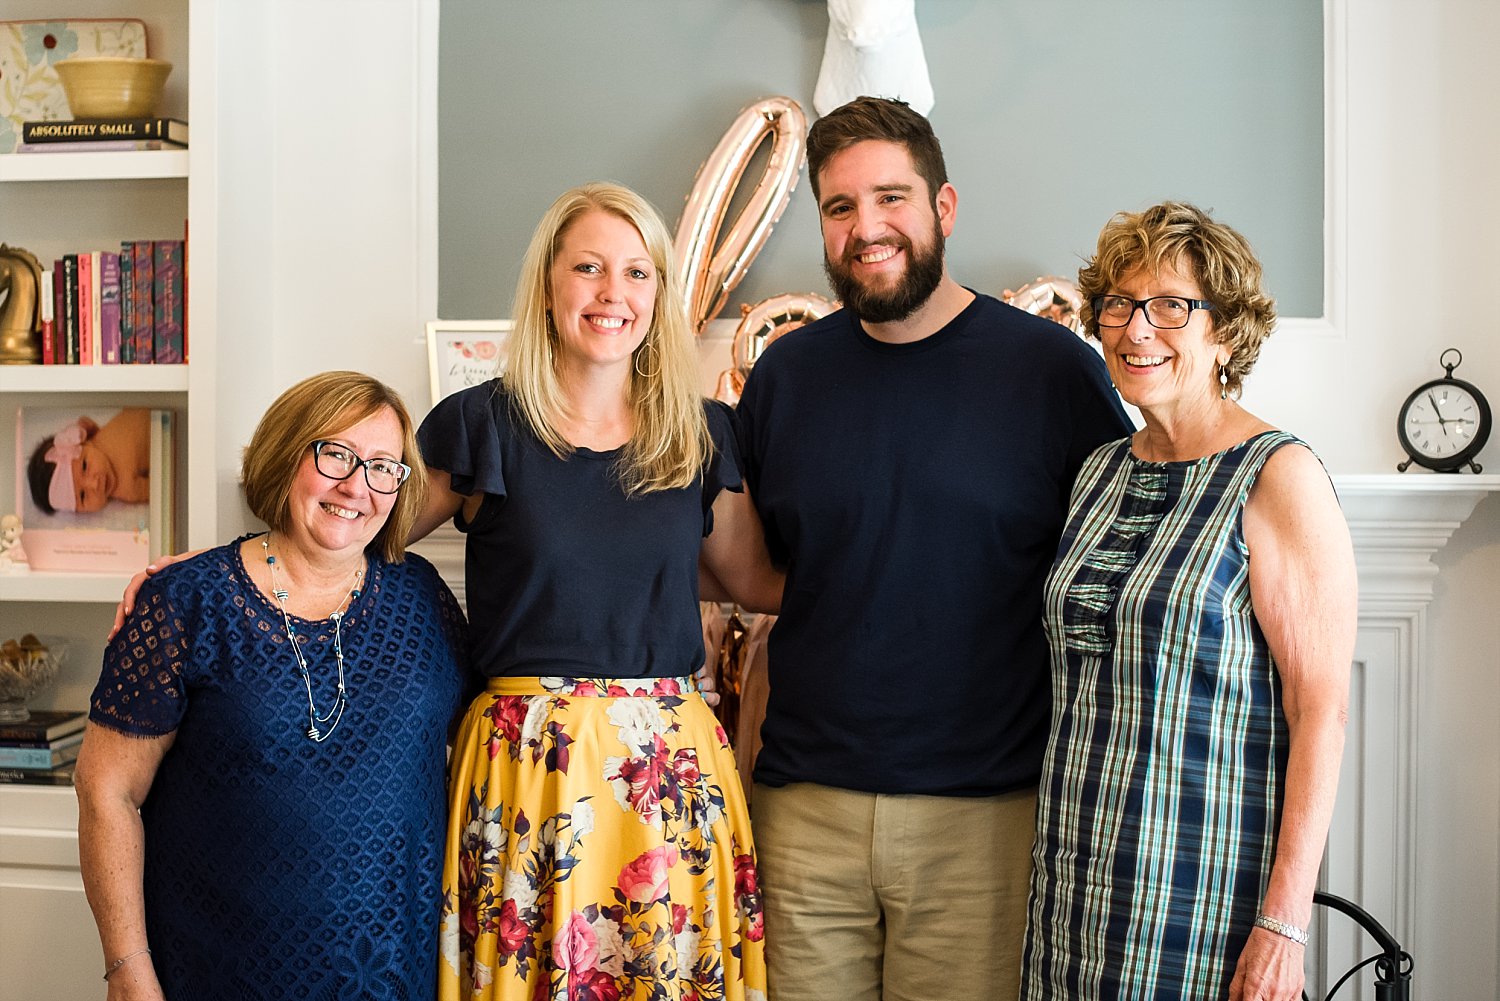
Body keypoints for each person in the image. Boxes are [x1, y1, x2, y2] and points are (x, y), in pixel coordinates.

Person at [733, 96, 1133, 1000]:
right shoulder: (786, 376)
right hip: (804, 810)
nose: (866, 228)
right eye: (839, 208)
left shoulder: (1053, 372)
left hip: (985, 817)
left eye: (891, 198)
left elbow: (1120, 566)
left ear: (943, 208)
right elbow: (753, 570)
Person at [412, 182, 777, 1001]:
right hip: (527, 771)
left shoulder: (701, 429)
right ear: (548, 283)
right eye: (589, 267)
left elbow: (754, 580)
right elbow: (351, 535)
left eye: (638, 273)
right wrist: (219, 575)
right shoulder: (480, 424)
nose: (614, 293)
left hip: (670, 773)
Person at [1020, 202, 1357, 1001]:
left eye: (1171, 306)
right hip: (1070, 894)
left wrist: (1284, 925)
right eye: (1118, 305)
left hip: (1204, 899)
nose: (1138, 330)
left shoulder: (1278, 476)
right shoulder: (1098, 472)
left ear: (1226, 332)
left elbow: (1322, 712)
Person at [75, 372, 471, 1000]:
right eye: (335, 454)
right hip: (216, 969)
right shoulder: (186, 602)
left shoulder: (422, 596)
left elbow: (481, 748)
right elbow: (106, 791)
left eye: (382, 467)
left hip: (398, 974)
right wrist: (127, 970)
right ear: (288, 455)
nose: (355, 486)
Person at [27, 407, 151, 514]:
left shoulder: (94, 439)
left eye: (85, 466)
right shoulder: (127, 488)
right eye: (82, 496)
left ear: (83, 442)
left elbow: (86, 423)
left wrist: (88, 429)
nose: (94, 484)